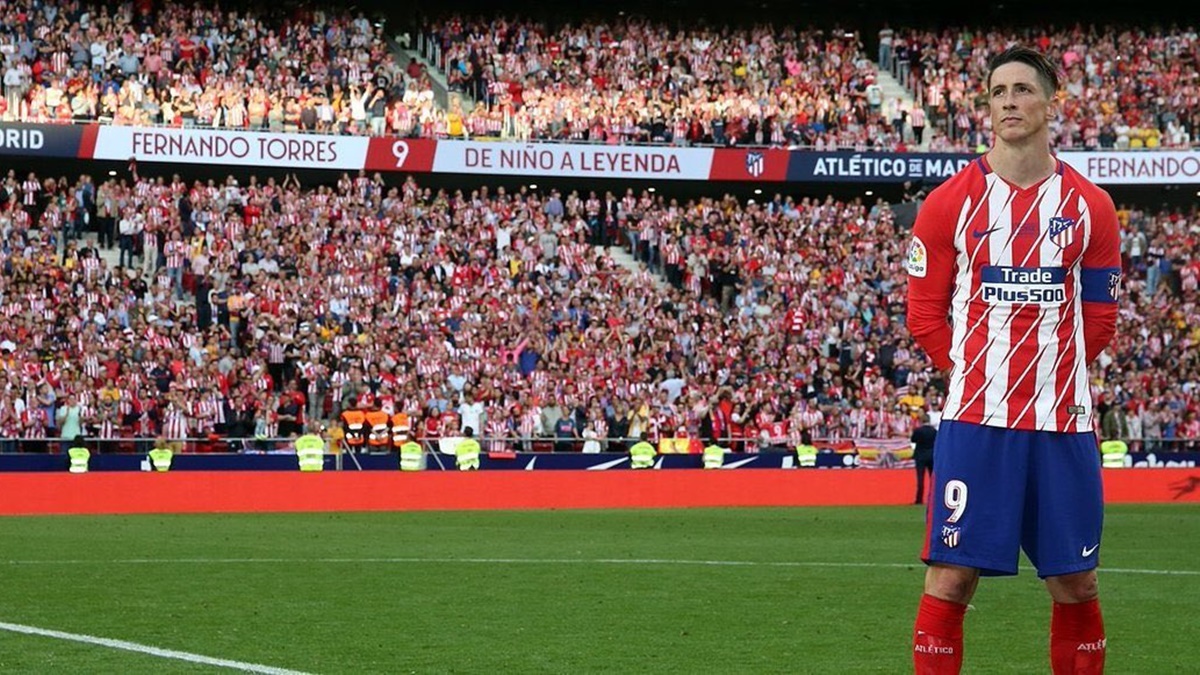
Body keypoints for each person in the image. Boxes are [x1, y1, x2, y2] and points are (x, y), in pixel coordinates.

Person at [904, 46, 1121, 674]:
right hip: (976, 424)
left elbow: (1100, 319)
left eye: (1022, 89)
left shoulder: (1091, 207)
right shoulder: (949, 203)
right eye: (998, 92)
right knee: (951, 578)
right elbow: (924, 315)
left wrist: (1049, 373)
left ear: (1052, 102)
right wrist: (980, 375)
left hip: (1063, 425)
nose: (1008, 101)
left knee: (1075, 582)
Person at [910, 413, 936, 505]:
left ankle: (919, 499)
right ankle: (934, 498)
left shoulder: (918, 430)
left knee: (920, 479)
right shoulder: (934, 431)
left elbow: (913, 440)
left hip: (920, 455)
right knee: (933, 479)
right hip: (931, 455)